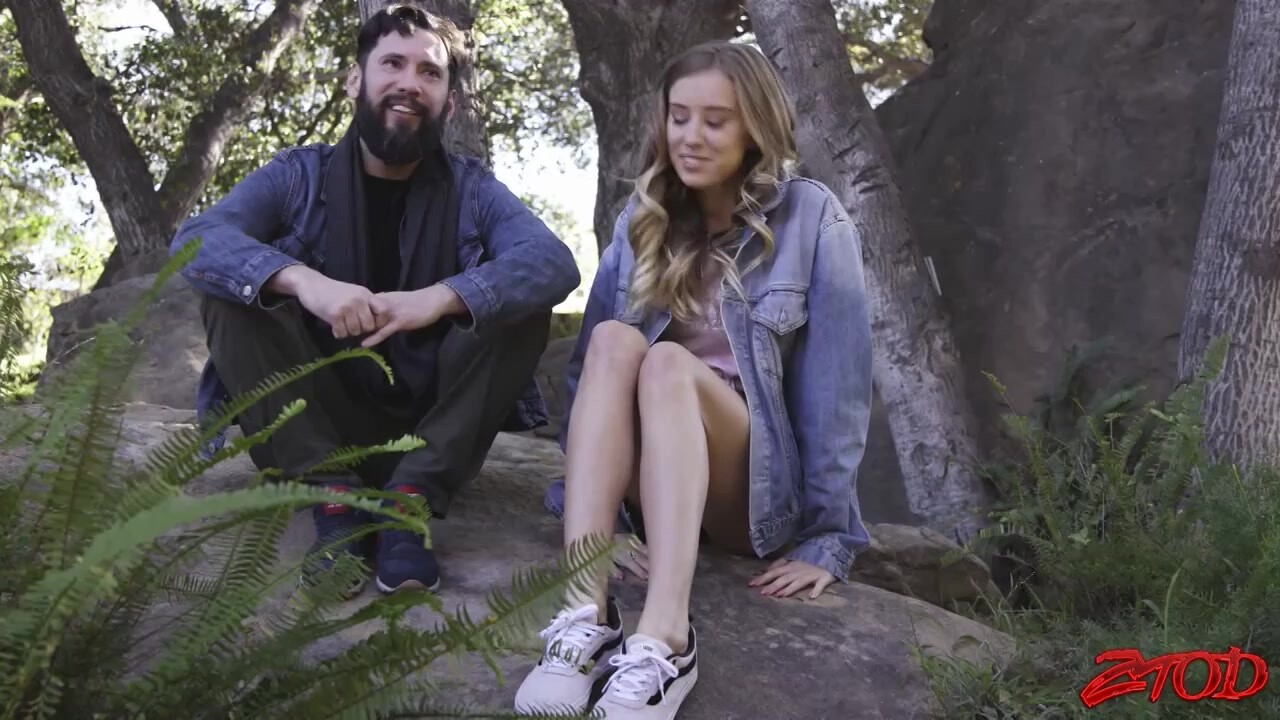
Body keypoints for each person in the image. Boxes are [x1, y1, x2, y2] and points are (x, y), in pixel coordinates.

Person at [514, 41, 874, 718]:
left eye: (715, 120)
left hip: (747, 488)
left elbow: (839, 394)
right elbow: (591, 375)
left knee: (668, 362)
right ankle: (585, 615)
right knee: (616, 338)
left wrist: (827, 539)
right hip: (653, 482)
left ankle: (666, 638)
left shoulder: (812, 219)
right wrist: (595, 513)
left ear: (754, 128)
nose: (691, 136)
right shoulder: (643, 217)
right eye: (679, 117)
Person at [170, 4, 580, 598]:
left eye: (429, 72)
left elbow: (551, 262)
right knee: (234, 291)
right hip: (313, 423)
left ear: (449, 103)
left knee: (520, 303)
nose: (410, 82)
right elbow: (197, 240)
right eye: (393, 63)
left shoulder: (474, 189)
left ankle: (408, 501)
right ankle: (332, 496)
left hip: (429, 433)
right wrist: (303, 281)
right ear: (354, 80)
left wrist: (442, 298)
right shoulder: (297, 176)